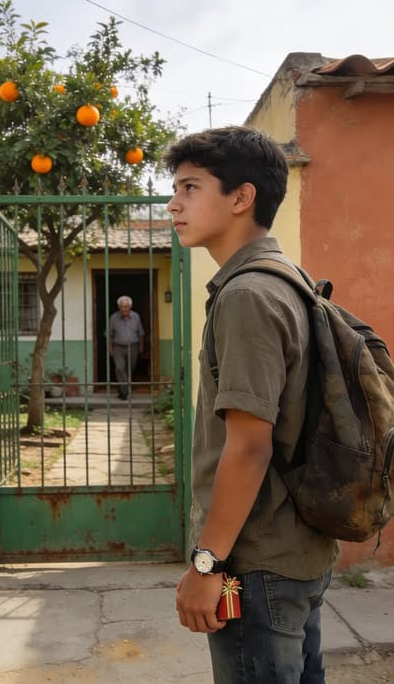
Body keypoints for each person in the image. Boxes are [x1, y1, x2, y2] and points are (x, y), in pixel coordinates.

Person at [164, 126, 338, 683]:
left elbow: (249, 447)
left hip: (256, 567)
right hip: (295, 552)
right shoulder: (289, 279)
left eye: (190, 188)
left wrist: (207, 564)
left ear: (242, 197)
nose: (173, 204)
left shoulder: (246, 295)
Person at [108, 295, 145, 399]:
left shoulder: (136, 316)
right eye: (121, 307)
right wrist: (110, 348)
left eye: (125, 307)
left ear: (130, 306)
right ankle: (125, 393)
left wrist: (141, 345)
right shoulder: (113, 318)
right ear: (118, 307)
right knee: (120, 369)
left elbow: (140, 332)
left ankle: (123, 390)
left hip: (133, 347)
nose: (123, 309)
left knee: (130, 369)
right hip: (118, 347)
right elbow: (110, 334)